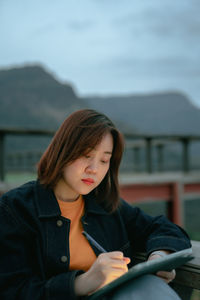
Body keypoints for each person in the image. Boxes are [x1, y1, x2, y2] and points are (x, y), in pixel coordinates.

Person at [0, 109, 191, 300]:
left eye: (104, 160)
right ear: (63, 151)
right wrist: (82, 283)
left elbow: (163, 228)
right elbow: (13, 291)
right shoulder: (15, 209)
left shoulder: (104, 204)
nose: (94, 169)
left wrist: (158, 259)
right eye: (86, 155)